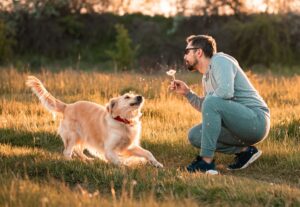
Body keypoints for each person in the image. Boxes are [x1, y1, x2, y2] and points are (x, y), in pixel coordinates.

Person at [169, 35, 270, 174]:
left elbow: (225, 93)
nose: (184, 56)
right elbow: (209, 107)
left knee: (211, 101)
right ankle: (246, 152)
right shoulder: (206, 76)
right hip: (237, 126)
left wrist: (209, 101)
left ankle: (205, 162)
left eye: (187, 52)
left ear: (199, 52)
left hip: (256, 121)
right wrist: (187, 93)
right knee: (195, 135)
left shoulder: (220, 61)